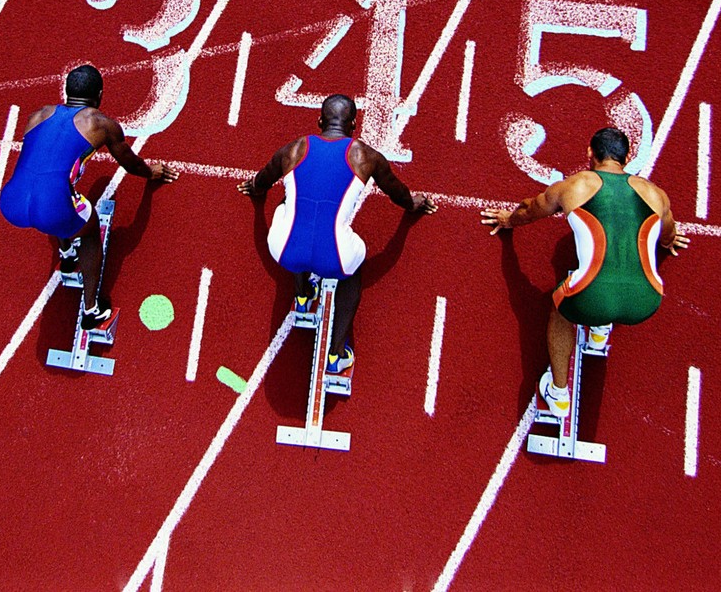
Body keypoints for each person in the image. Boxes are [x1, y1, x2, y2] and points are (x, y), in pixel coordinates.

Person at [480, 126, 687, 418]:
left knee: (560, 306)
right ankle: (600, 333)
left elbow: (530, 210)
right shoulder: (656, 194)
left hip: (593, 296)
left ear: (590, 153)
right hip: (647, 300)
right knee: (610, 275)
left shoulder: (575, 186)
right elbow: (668, 234)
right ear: (627, 157)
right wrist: (668, 242)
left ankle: (558, 394)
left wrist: (508, 220)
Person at [239, 94, 435, 374]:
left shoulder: (294, 149)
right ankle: (336, 353)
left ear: (320, 121)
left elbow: (264, 179)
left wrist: (253, 188)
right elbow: (396, 192)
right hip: (337, 260)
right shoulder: (366, 156)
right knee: (353, 272)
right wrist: (413, 203)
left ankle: (303, 295)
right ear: (354, 125)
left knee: (288, 205)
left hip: (284, 250)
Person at [0, 63, 177, 332]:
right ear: (100, 94)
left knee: (61, 196)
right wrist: (151, 172)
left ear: (66, 91)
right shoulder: (100, 124)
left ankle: (67, 255)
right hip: (53, 208)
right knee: (89, 227)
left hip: (11, 201)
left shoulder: (37, 115)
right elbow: (130, 164)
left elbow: (41, 164)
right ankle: (92, 310)